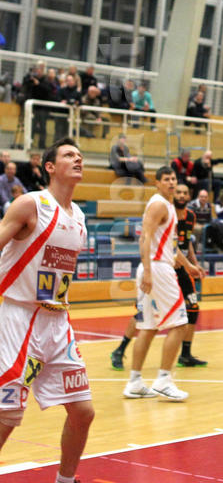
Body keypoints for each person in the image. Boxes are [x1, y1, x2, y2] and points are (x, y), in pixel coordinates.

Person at [0, 137, 95, 483]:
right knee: (7, 416)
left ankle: (65, 481)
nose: (78, 159)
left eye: (80, 155)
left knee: (83, 412)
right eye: (69, 155)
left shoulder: (79, 217)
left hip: (57, 322)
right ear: (50, 167)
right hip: (20, 318)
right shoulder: (31, 204)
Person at [123, 167, 201, 401]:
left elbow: (172, 247)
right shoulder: (158, 205)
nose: (171, 182)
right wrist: (148, 271)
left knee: (148, 327)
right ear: (157, 183)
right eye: (166, 179)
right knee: (180, 323)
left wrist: (189, 265)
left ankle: (134, 382)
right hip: (157, 269)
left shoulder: (168, 207)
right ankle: (164, 379)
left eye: (174, 179)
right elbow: (145, 237)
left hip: (157, 266)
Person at [173, 183, 208, 367]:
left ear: (189, 196)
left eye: (184, 193)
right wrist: (190, 266)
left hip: (182, 269)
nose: (181, 195)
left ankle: (185, 354)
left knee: (193, 308)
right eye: (178, 192)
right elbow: (172, 247)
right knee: (144, 313)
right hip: (165, 268)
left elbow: (187, 243)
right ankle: (121, 349)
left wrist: (195, 263)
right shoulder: (168, 214)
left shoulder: (191, 216)